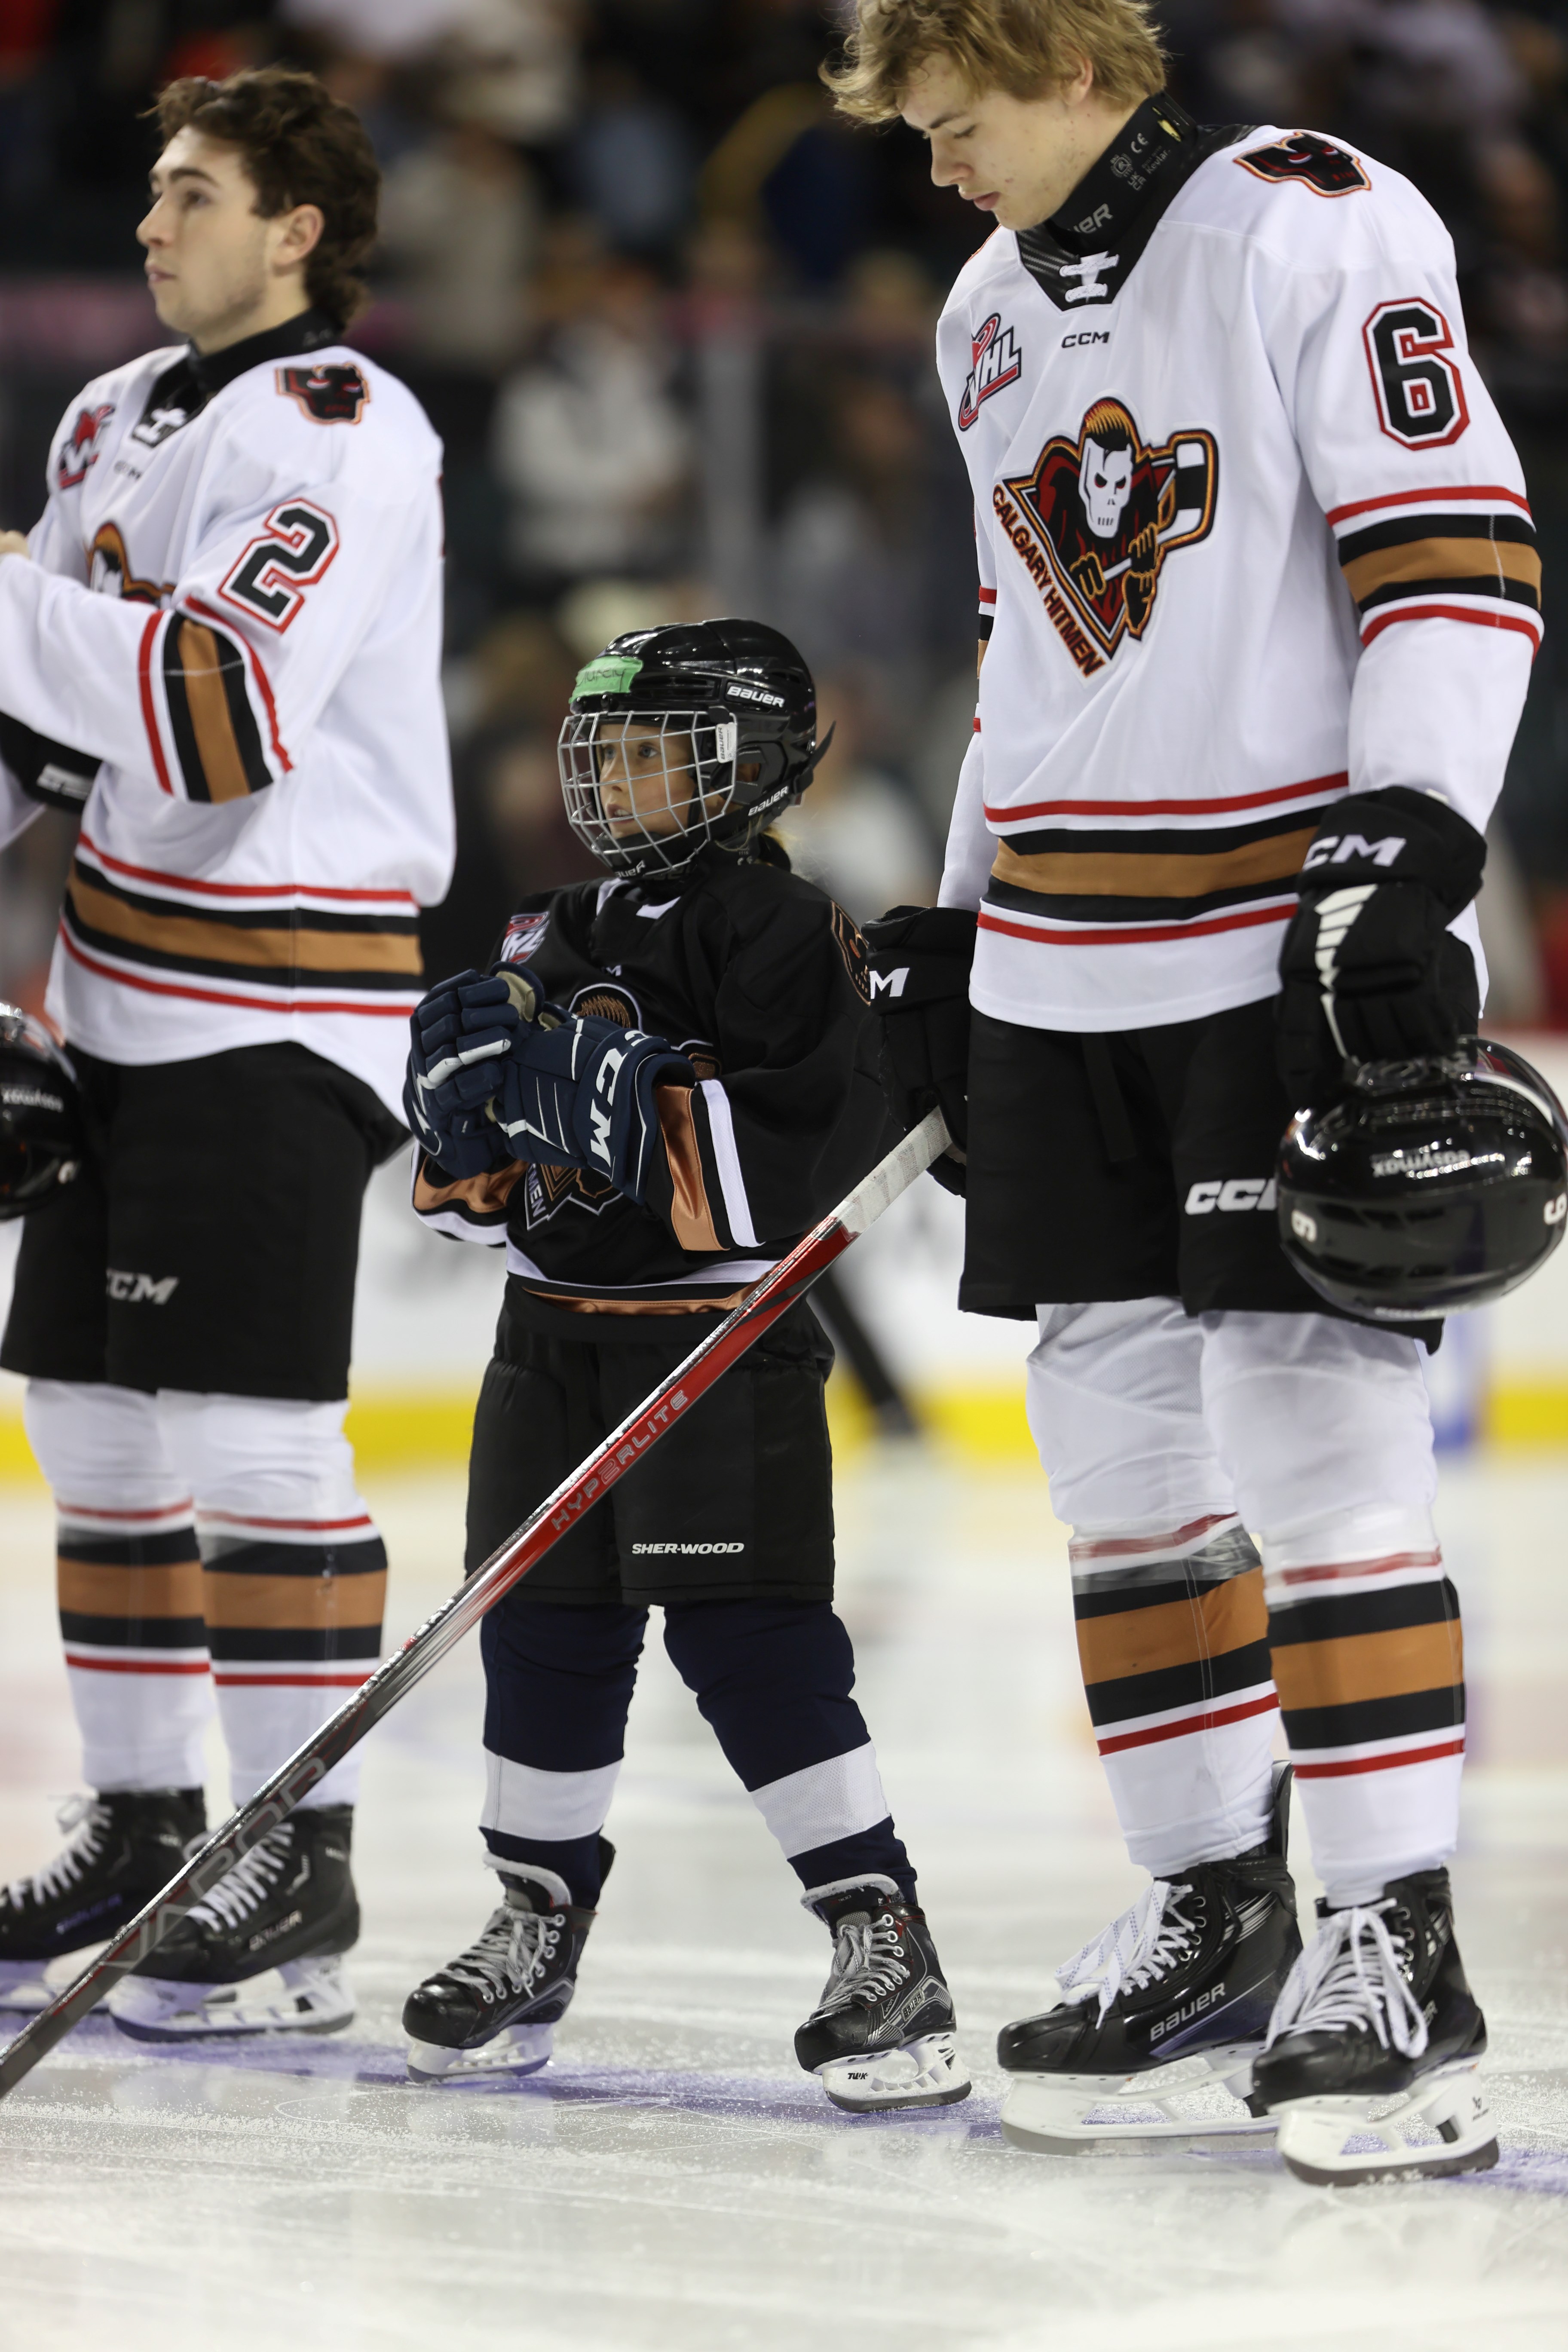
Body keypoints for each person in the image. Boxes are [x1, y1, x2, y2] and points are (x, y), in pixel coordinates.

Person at [829, 0, 1536, 2181]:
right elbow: (1021, 649)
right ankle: (1212, 1904)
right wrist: (954, 925)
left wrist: (1417, 833)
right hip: (1062, 958)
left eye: (951, 122)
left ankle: (1391, 1937)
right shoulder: (981, 306)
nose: (937, 170)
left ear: (1048, 60)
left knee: (1319, 1456)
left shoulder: (1308, 222)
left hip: (1271, 941)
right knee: (1118, 1465)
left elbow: (1453, 536)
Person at [0, 67, 453, 2038]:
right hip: (115, 984)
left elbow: (213, 714)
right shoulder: (109, 420)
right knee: (95, 1431)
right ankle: (142, 1814)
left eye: (195, 195)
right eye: (154, 191)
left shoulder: (342, 427)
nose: (150, 222)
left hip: (280, 988)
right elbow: (40, 730)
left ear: (298, 228)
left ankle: (299, 1850)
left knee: (252, 1438)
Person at [396, 619, 968, 2112]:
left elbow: (778, 1180)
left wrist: (595, 1105)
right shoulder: (540, 928)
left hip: (718, 1348)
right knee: (543, 1643)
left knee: (751, 1642)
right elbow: (485, 1214)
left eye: (652, 752)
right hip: (546, 1350)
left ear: (754, 768)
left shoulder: (784, 934)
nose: (613, 780)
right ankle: (533, 1916)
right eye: (603, 752)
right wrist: (466, 1148)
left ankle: (878, 1929)